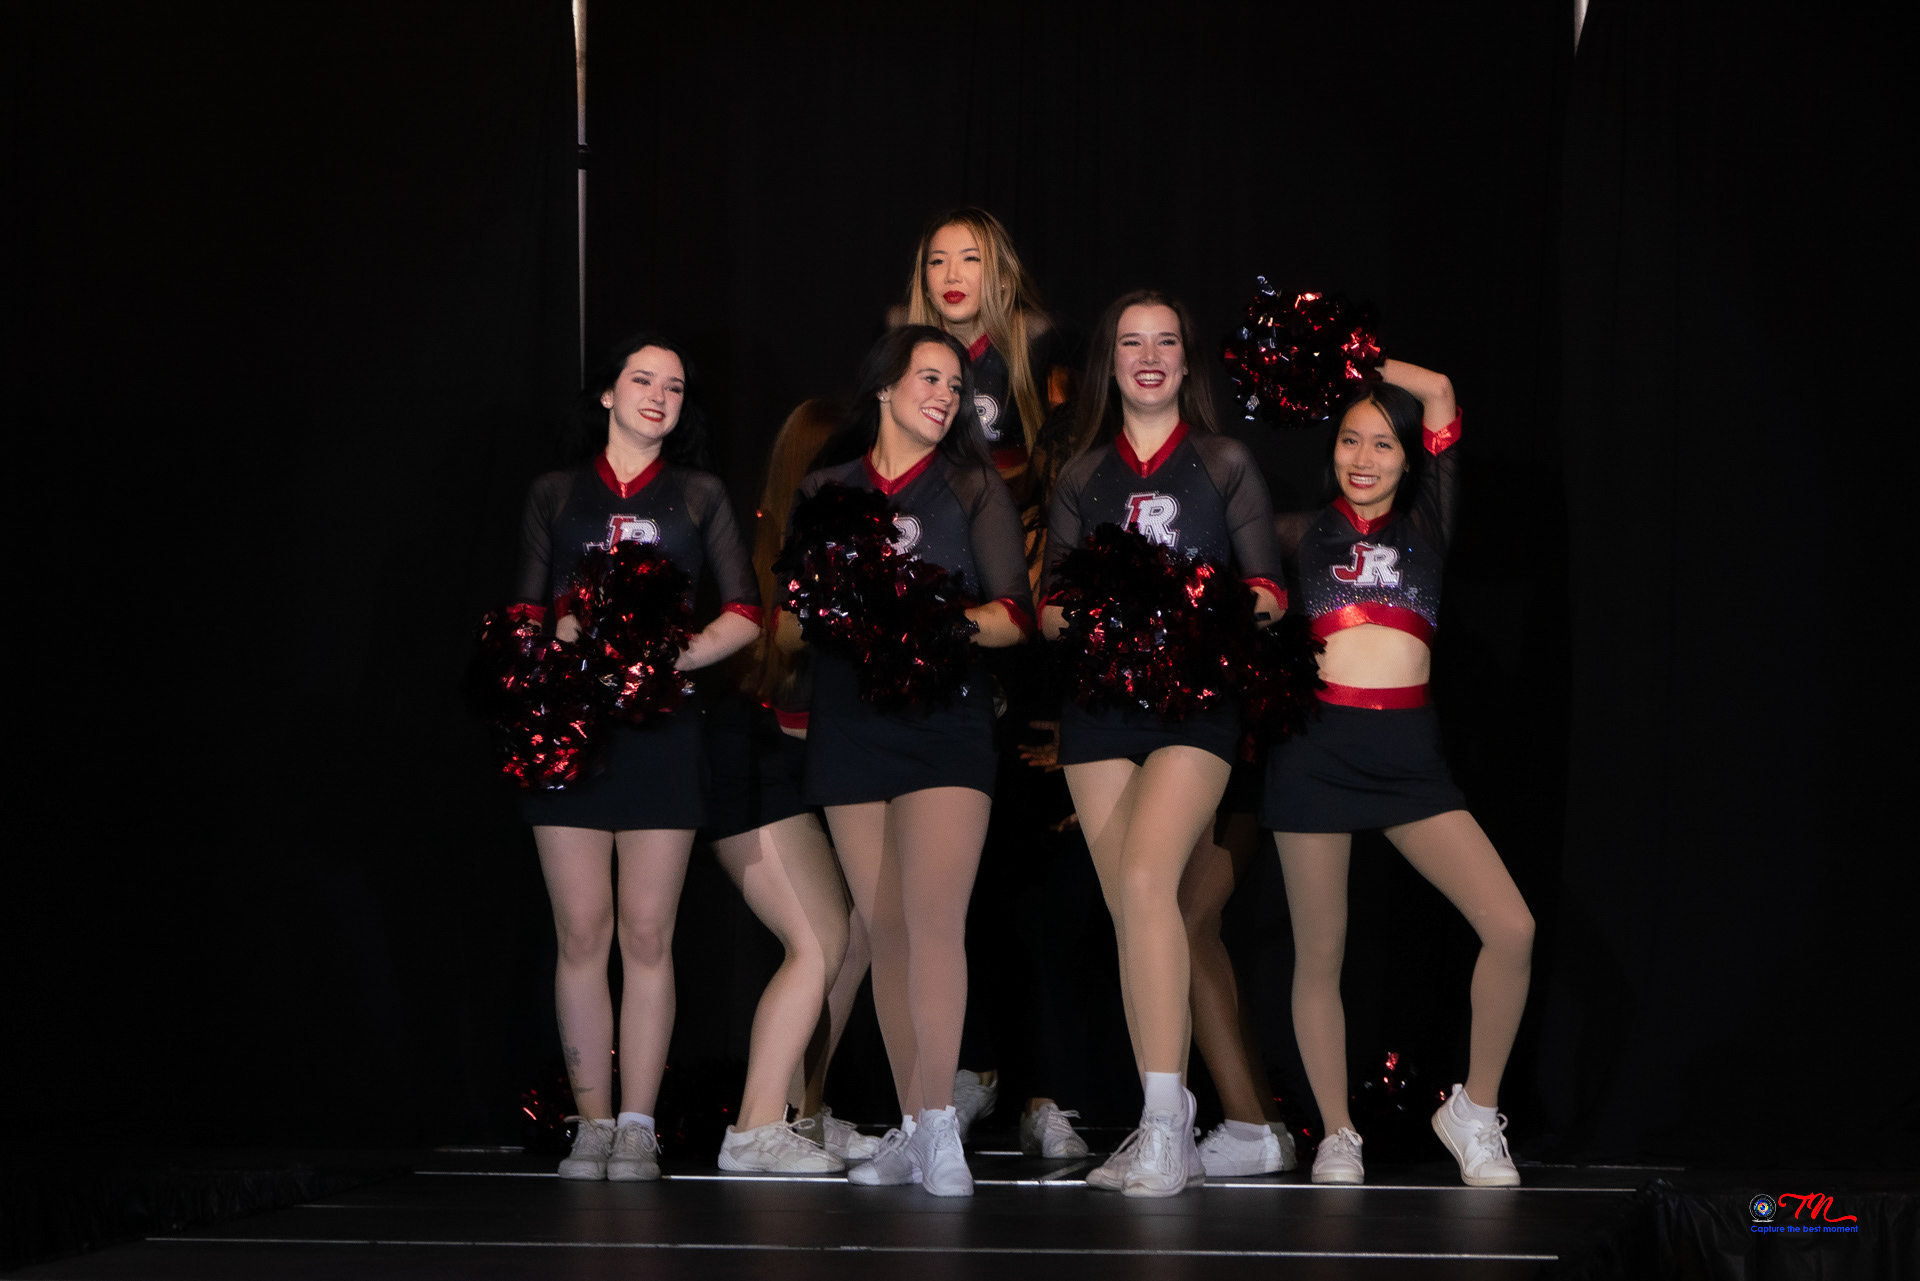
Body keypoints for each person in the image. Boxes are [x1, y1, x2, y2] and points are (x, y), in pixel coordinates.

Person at [1262, 362, 1534, 1187]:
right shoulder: (1296, 532)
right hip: (1315, 753)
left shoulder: (1429, 526)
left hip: (1411, 760)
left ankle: (1474, 1111)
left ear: (1409, 458)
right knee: (1320, 954)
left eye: (1383, 443)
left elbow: (1442, 391)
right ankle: (1336, 1133)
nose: (1364, 458)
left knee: (1512, 928)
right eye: (1350, 440)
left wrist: (1352, 354)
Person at [777, 326, 1033, 1196]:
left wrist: (928, 619)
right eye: (930, 378)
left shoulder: (972, 486)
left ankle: (940, 1131)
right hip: (851, 724)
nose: (946, 397)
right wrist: (840, 609)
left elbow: (1014, 616)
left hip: (944, 723)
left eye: (956, 386)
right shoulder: (826, 489)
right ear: (884, 386)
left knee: (933, 921)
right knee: (884, 929)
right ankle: (916, 1125)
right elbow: (795, 618)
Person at [1039, 291, 1283, 1196]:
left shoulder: (1224, 462)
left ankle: (1164, 1127)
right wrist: (1107, 616)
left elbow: (1269, 593)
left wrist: (1183, 610)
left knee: (1147, 880)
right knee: (1135, 912)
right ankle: (1163, 1121)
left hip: (1196, 708)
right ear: (1110, 362)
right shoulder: (1081, 474)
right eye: (1131, 342)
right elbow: (1050, 608)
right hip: (1100, 711)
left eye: (1165, 342)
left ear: (1186, 360)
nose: (1149, 356)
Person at [512, 333, 763, 1181]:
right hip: (572, 732)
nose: (660, 396)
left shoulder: (699, 492)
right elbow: (525, 610)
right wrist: (565, 631)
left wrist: (674, 655)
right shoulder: (556, 492)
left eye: (676, 387)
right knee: (582, 930)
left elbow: (746, 610)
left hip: (663, 730)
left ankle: (636, 1125)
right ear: (608, 394)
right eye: (643, 380)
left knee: (648, 931)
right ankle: (590, 1124)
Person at [701, 398, 878, 1171]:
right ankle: (753, 1128)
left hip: (801, 764)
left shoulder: (844, 546)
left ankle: (802, 1113)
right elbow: (772, 666)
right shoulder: (770, 550)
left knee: (854, 936)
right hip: (749, 758)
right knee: (817, 940)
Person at [902, 207, 1052, 487]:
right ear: (924, 282)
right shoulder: (899, 344)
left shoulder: (1035, 337)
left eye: (970, 258)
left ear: (1004, 277)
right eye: (937, 261)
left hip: (1013, 502)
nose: (952, 276)